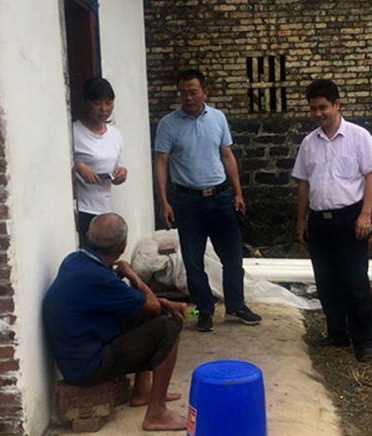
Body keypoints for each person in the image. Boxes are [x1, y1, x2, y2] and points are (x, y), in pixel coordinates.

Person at [43, 213, 188, 431]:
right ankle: (157, 414)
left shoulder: (75, 260)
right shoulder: (99, 277)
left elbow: (131, 299)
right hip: (87, 367)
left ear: (87, 237)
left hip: (76, 358)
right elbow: (153, 307)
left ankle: (143, 392)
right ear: (123, 246)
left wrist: (165, 302)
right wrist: (132, 274)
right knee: (168, 327)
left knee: (143, 314)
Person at [154, 69, 261, 333]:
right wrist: (164, 201)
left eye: (193, 92)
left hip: (220, 197)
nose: (188, 98)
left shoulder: (218, 118)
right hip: (188, 201)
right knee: (193, 261)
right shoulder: (168, 124)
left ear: (205, 92)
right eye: (183, 93)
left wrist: (238, 192)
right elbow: (161, 163)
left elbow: (227, 155)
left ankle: (235, 306)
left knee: (232, 257)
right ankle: (205, 311)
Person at [292, 79, 372, 362]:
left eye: (323, 107)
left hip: (350, 219)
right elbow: (303, 183)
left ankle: (365, 340)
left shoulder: (359, 137)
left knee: (355, 281)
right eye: (313, 109)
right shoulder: (309, 143)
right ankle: (337, 333)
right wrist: (302, 220)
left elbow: (371, 175)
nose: (318, 114)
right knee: (326, 280)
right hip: (319, 221)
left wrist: (365, 214)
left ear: (337, 104)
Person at [73, 77, 128, 246]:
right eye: (97, 103)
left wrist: (122, 174)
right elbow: (57, 165)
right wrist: (78, 166)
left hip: (104, 210)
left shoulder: (115, 134)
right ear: (86, 102)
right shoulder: (74, 132)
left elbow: (118, 166)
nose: (104, 109)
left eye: (109, 103)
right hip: (81, 209)